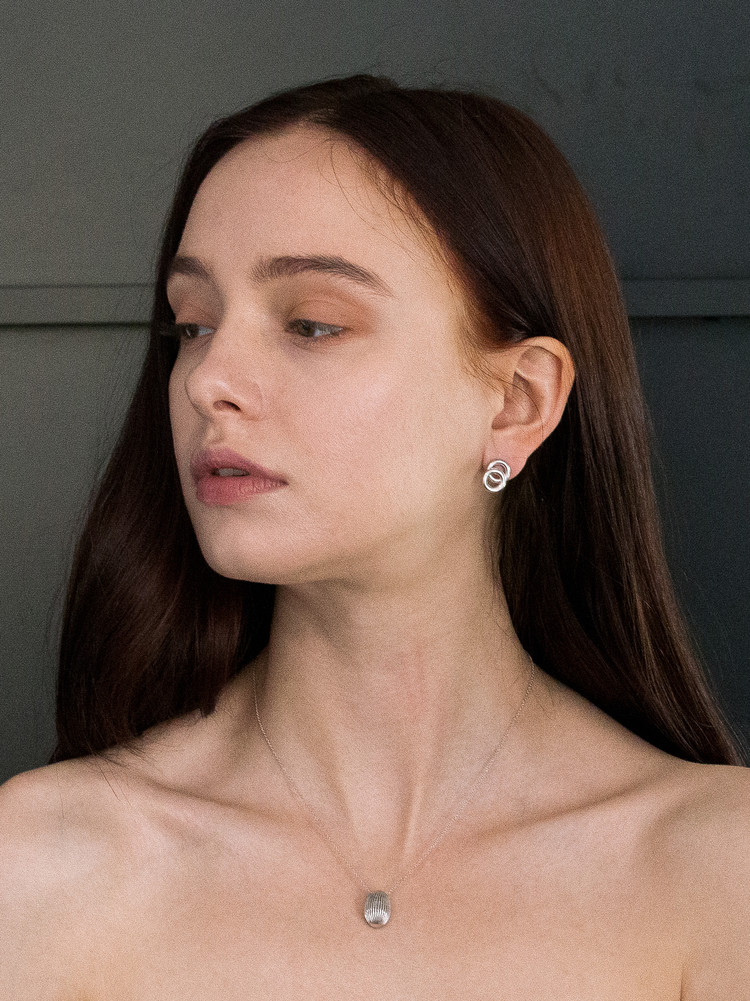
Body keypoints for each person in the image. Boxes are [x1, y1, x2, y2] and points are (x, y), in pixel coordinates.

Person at [2, 74, 748, 997]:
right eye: (192, 325)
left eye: (313, 324)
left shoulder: (717, 873)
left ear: (516, 403)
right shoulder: (43, 868)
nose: (206, 380)